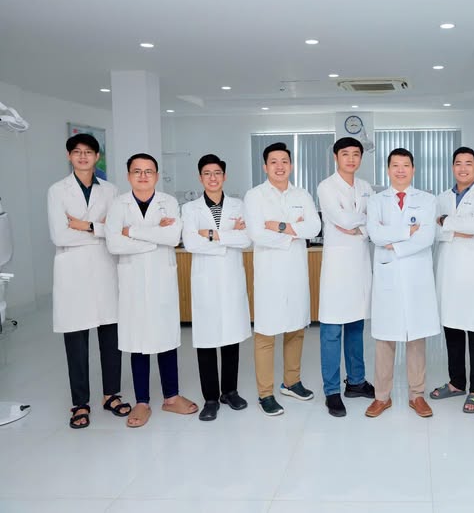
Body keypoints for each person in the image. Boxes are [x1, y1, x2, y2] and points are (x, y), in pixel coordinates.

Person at [106, 153, 197, 428]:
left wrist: (132, 231)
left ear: (156, 175)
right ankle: (142, 402)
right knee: (138, 342)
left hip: (161, 280)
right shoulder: (118, 204)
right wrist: (155, 235)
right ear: (128, 176)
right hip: (132, 281)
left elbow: (172, 237)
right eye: (137, 171)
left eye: (148, 171)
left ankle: (172, 397)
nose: (143, 176)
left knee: (166, 338)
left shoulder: (168, 202)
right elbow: (113, 244)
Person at [47, 133, 131, 429]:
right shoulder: (57, 191)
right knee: (76, 342)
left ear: (97, 157)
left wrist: (83, 225)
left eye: (88, 152)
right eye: (77, 151)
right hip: (72, 272)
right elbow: (59, 235)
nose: (82, 156)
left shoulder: (111, 190)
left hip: (105, 268)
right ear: (69, 156)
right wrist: (99, 229)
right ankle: (80, 403)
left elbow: (117, 230)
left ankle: (111, 395)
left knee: (110, 338)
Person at [244, 142, 321, 416]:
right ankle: (265, 393)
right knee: (266, 333)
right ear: (265, 166)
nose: (279, 166)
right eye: (274, 162)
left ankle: (291, 382)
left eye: (284, 161)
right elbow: (256, 233)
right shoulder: (254, 196)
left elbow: (314, 227)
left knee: (296, 329)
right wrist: (294, 232)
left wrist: (278, 226)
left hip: (296, 273)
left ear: (291, 165)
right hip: (269, 275)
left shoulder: (302, 194)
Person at [364, 148, 441, 418]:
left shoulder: (427, 200)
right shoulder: (376, 201)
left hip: (416, 275)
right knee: (385, 338)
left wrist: (394, 244)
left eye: (405, 165)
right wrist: (408, 231)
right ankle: (381, 397)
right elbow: (375, 234)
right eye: (395, 165)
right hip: (388, 275)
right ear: (388, 170)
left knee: (416, 337)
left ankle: (417, 395)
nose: (400, 170)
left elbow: (427, 237)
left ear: (413, 169)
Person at [181, 154, 252, 421]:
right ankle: (210, 398)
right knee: (207, 340)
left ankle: (230, 391)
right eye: (207, 173)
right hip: (205, 281)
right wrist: (228, 238)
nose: (213, 178)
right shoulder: (190, 209)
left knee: (231, 337)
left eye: (217, 173)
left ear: (224, 176)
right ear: (200, 178)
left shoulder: (238, 205)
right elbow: (191, 243)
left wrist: (210, 234)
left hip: (231, 279)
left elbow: (246, 239)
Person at [431, 146, 474, 414]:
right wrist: (456, 226)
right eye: (458, 163)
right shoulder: (441, 197)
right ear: (452, 167)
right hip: (448, 272)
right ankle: (456, 382)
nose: (463, 168)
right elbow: (435, 233)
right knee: (452, 329)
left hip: (472, 274)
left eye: (468, 163)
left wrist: (446, 222)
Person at [317, 137, 376, 417]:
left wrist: (358, 225)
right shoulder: (326, 187)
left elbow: (374, 221)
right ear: (335, 157)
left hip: (359, 265)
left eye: (355, 154)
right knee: (331, 330)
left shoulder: (365, 188)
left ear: (361, 158)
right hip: (337, 268)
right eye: (345, 154)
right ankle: (331, 391)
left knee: (355, 326)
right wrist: (358, 221)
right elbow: (343, 220)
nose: (351, 159)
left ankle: (356, 382)